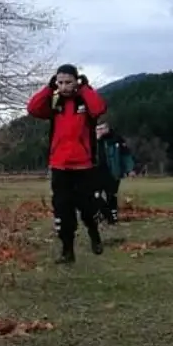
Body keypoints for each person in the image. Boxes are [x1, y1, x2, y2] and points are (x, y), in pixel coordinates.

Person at [26, 64, 107, 263]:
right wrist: (48, 88)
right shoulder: (55, 102)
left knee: (87, 208)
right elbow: (33, 108)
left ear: (76, 81)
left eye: (68, 82)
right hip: (60, 166)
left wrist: (85, 88)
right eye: (60, 82)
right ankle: (67, 251)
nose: (64, 86)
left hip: (84, 166)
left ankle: (94, 234)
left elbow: (99, 108)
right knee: (63, 211)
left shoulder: (85, 101)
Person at [94, 120, 135, 225]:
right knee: (95, 195)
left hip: (112, 171)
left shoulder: (116, 139)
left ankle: (113, 215)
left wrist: (129, 169)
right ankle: (103, 213)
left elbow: (125, 155)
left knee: (111, 195)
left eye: (102, 128)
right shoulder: (91, 141)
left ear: (107, 128)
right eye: (98, 129)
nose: (100, 131)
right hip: (96, 172)